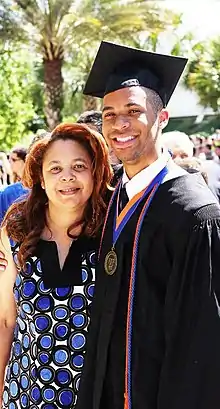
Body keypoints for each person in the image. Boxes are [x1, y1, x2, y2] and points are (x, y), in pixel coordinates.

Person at [77, 41, 220, 409]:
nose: (118, 124)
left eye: (133, 111)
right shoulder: (113, 199)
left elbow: (201, 343)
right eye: (108, 114)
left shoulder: (195, 213)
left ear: (162, 118)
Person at [0, 123, 112, 409]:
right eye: (55, 169)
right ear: (39, 177)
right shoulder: (15, 235)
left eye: (78, 166)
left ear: (94, 172)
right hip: (25, 393)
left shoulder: (114, 234)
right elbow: (5, 322)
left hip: (96, 396)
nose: (67, 177)